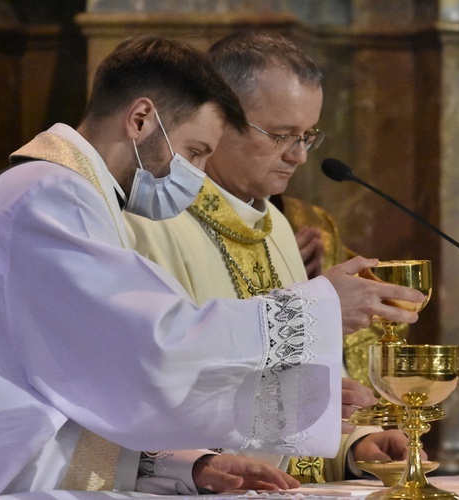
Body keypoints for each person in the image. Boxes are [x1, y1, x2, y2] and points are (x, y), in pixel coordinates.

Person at [0, 35, 424, 498]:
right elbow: (152, 349)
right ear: (139, 120)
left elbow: (101, 380)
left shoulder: (74, 196)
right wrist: (317, 309)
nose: (198, 175)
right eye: (196, 151)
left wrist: (190, 467)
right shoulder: (49, 196)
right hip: (8, 482)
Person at [125, 31, 412, 494]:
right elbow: (147, 380)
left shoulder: (276, 226)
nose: (298, 156)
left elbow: (301, 399)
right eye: (281, 135)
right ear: (218, 118)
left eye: (307, 136)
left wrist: (356, 445)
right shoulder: (151, 223)